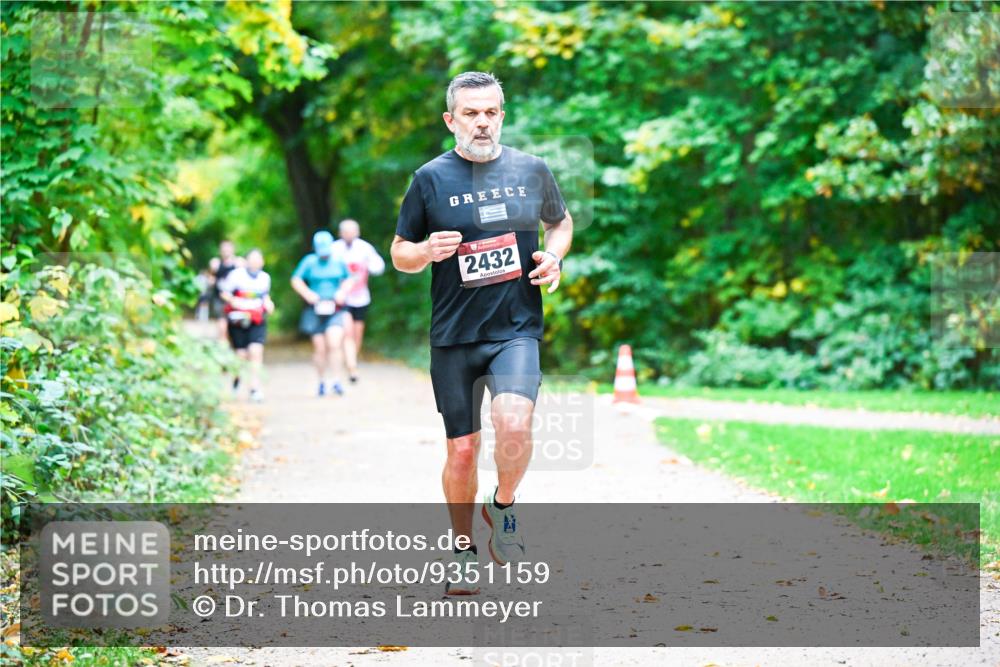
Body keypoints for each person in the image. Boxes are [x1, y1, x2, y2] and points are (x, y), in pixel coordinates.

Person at [390, 71, 573, 595]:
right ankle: (463, 548)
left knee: (513, 422)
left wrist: (554, 257)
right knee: (464, 451)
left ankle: (505, 507)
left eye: (491, 112)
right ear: (451, 120)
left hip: (515, 328)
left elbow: (560, 222)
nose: (482, 122)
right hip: (453, 335)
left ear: (502, 115)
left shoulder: (531, 170)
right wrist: (426, 251)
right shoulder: (430, 179)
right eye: (471, 113)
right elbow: (400, 252)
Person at [291, 230, 357, 396]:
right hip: (315, 309)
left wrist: (342, 292)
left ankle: (336, 381)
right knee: (320, 348)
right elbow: (296, 279)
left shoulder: (338, 261)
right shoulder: (309, 262)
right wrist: (307, 294)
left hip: (335, 309)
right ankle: (321, 381)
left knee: (334, 344)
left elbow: (349, 279)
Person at [217, 249, 275, 403]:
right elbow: (224, 292)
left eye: (258, 259)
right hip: (237, 320)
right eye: (252, 259)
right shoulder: (236, 276)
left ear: (262, 262)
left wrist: (269, 304)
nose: (255, 263)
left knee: (256, 351)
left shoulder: (265, 278)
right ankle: (236, 383)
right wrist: (232, 301)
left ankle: (254, 389)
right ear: (246, 261)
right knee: (241, 355)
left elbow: (264, 296)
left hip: (257, 319)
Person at [332, 218, 386, 373]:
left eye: (351, 231)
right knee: (347, 331)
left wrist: (369, 266)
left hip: (361, 297)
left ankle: (351, 359)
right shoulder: (334, 249)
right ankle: (351, 366)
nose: (348, 234)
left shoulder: (365, 248)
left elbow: (379, 266)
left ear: (357, 232)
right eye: (345, 232)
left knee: (357, 332)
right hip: (342, 298)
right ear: (340, 233)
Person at [208, 240, 244, 342]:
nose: (226, 250)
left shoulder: (239, 263)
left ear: (233, 249)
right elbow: (211, 278)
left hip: (236, 299)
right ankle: (223, 345)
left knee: (235, 325)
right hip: (219, 297)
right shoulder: (215, 263)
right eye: (223, 248)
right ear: (220, 250)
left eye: (228, 248)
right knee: (222, 323)